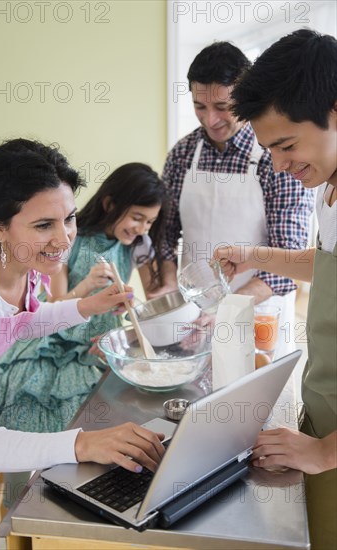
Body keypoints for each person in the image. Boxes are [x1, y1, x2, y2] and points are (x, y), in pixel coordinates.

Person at [0, 139, 165, 550]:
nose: (64, 240)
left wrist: (85, 307)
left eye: (70, 219)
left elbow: (14, 326)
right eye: (44, 225)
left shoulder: (19, 266)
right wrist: (83, 442)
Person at [214, 29, 336, 550]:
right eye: (270, 150)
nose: (281, 164)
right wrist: (257, 255)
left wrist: (325, 453)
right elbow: (328, 267)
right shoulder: (329, 187)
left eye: (287, 145)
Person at [156, 41, 314, 357]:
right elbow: (164, 234)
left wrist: (226, 309)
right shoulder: (182, 155)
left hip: (258, 315)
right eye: (200, 106)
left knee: (256, 398)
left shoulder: (278, 155)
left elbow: (288, 257)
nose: (210, 119)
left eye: (221, 107)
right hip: (194, 316)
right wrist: (168, 288)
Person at [0, 162, 168, 435]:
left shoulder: (138, 246)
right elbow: (55, 302)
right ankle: (36, 476)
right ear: (110, 204)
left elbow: (153, 301)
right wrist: (86, 286)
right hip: (55, 343)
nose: (142, 228)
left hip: (102, 346)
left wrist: (128, 331)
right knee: (52, 419)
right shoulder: (69, 238)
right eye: (137, 217)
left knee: (126, 413)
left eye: (150, 221)